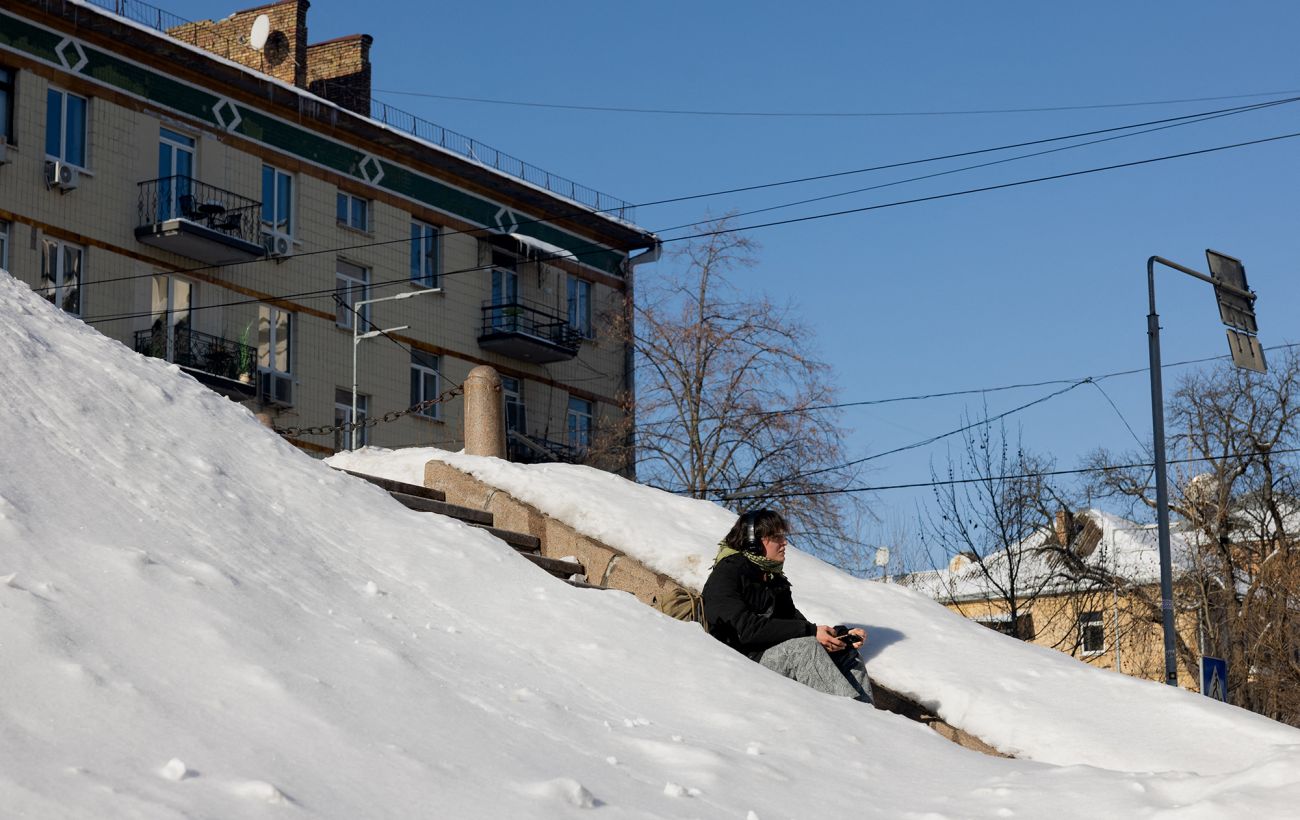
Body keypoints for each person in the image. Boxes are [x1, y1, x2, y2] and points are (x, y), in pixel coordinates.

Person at [702, 508, 873, 703]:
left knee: (846, 653)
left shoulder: (773, 579)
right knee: (804, 648)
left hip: (771, 655)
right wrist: (810, 632)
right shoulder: (727, 574)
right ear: (753, 542)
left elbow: (794, 623)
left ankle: (868, 714)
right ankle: (849, 716)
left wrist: (837, 635)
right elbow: (746, 630)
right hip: (739, 662)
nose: (784, 543)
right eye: (776, 537)